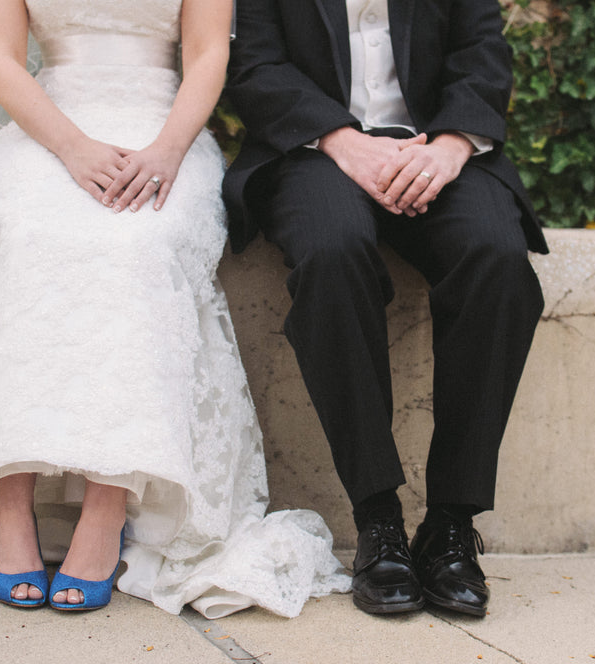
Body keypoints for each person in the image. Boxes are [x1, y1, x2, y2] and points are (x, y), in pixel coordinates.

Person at [0, 0, 350, 618]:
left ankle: (107, 509)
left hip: (163, 132)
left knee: (137, 244)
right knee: (26, 236)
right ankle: (10, 499)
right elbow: (1, 59)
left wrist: (166, 150)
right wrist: (73, 147)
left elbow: (209, 54)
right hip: (47, 131)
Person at [222, 0, 548, 616]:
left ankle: (451, 526)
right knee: (331, 253)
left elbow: (481, 53)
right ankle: (378, 520)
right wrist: (343, 142)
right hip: (314, 152)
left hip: (434, 150)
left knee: (498, 261)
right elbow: (255, 67)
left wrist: (451, 147)